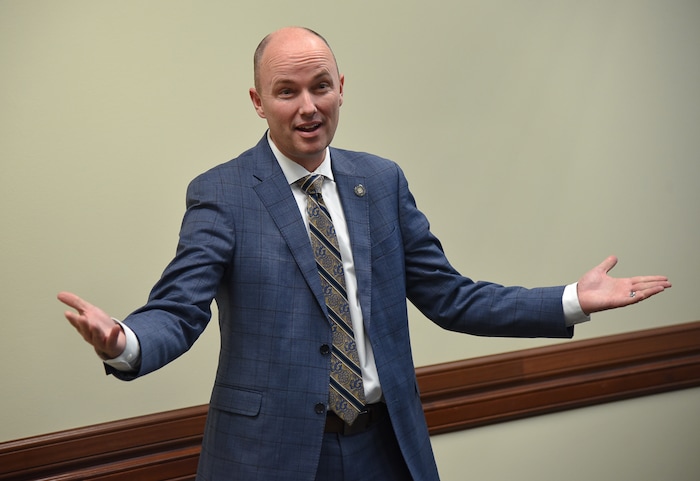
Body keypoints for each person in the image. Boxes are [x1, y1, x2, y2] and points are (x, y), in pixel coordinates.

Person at [58, 27, 671, 481]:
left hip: (385, 447)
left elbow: (450, 297)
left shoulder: (380, 182)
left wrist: (571, 299)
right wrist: (124, 341)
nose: (308, 107)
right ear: (257, 101)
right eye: (286, 91)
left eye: (320, 87)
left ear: (341, 88)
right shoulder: (222, 193)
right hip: (270, 456)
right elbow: (180, 308)